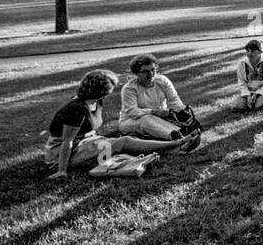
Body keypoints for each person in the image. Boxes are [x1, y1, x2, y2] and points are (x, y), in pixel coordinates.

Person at [46, 69, 197, 178]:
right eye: (109, 89)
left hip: (87, 142)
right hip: (62, 154)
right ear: (101, 91)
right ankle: (177, 143)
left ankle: (174, 143)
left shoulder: (96, 101)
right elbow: (67, 141)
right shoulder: (76, 109)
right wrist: (61, 170)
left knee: (127, 142)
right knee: (124, 142)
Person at [119, 54, 196, 139]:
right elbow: (133, 112)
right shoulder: (129, 88)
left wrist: (180, 111)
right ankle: (176, 138)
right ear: (136, 73)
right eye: (145, 71)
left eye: (153, 70)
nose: (151, 74)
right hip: (132, 120)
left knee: (179, 117)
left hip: (159, 118)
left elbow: (174, 100)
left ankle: (182, 135)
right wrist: (153, 112)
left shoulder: (162, 81)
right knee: (146, 119)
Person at [236, 39, 263, 110]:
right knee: (239, 106)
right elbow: (241, 82)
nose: (249, 54)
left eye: (252, 51)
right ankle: (251, 101)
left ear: (260, 52)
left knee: (259, 106)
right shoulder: (242, 64)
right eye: (247, 51)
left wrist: (258, 93)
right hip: (248, 91)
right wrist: (247, 94)